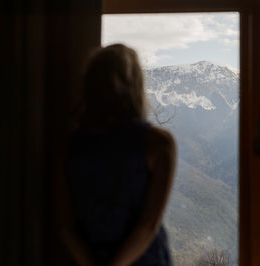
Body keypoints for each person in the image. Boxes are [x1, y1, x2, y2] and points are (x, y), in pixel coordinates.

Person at [54, 44, 176, 266]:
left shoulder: (67, 145)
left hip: (89, 257)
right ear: (136, 86)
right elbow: (148, 225)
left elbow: (66, 227)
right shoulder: (159, 144)